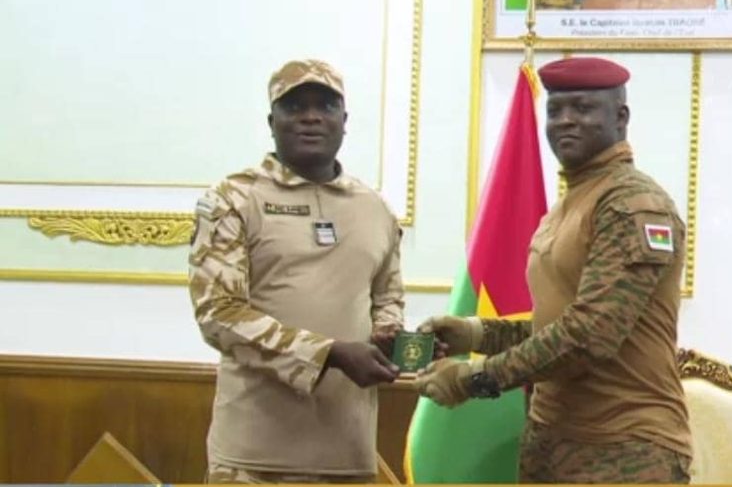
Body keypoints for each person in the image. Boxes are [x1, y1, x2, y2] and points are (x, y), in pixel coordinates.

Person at [413, 56, 693, 483]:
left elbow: (590, 335)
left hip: (624, 451)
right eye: (555, 109)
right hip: (552, 439)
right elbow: (557, 326)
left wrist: (473, 378)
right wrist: (476, 333)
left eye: (583, 108)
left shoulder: (633, 205)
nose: (565, 121)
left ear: (620, 118)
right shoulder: (571, 203)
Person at [188, 58, 405, 483]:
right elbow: (219, 314)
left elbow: (388, 298)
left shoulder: (375, 208)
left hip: (349, 455)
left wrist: (389, 333)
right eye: (294, 107)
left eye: (325, 106)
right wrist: (330, 353)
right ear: (272, 122)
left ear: (344, 122)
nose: (311, 117)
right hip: (253, 460)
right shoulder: (233, 199)